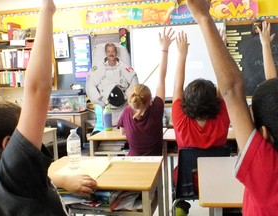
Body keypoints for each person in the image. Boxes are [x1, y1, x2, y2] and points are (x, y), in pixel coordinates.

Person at [0, 1, 97, 215]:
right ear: (9, 144)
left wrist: (65, 179)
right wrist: (47, 12)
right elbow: (38, 90)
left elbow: (38, 176)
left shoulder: (1, 174)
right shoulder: (12, 169)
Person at [186, 0, 278, 215]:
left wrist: (204, 17)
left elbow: (233, 89)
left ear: (263, 134)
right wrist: (265, 46)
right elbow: (267, 93)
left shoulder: (266, 172)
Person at [171, 29, 230, 215]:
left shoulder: (181, 119)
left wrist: (182, 54)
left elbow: (176, 86)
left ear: (186, 101)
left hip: (187, 183)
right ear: (215, 100)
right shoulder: (222, 115)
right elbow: (224, 82)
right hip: (218, 180)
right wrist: (220, 47)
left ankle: (180, 201)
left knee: (177, 169)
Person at [117, 27, 175, 156]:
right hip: (155, 162)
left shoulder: (126, 111)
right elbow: (162, 78)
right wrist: (164, 49)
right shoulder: (156, 111)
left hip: (133, 162)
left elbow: (122, 132)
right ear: (150, 101)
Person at [86, 42, 139, 126]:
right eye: (109, 51)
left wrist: (127, 95)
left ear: (116, 52)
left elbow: (134, 80)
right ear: (106, 53)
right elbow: (90, 84)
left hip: (123, 108)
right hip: (107, 109)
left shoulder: (124, 67)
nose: (111, 54)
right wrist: (99, 100)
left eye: (113, 51)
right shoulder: (98, 68)